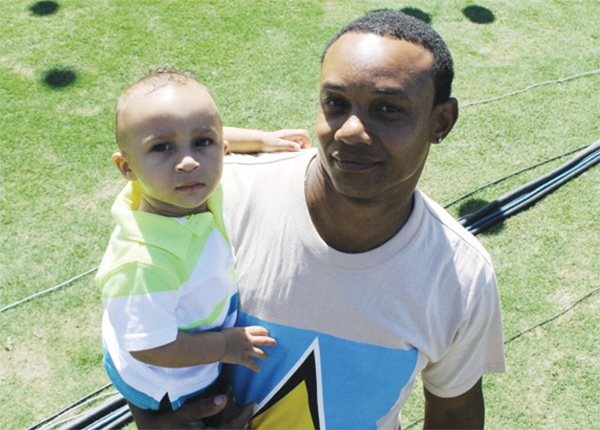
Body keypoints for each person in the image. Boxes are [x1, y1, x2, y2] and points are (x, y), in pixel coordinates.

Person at [130, 10, 506, 429]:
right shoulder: (217, 202)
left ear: (441, 121)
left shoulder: (461, 275)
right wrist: (149, 419)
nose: (349, 131)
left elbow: (454, 412)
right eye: (335, 104)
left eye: (387, 109)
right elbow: (133, 317)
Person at [96, 70, 304, 428]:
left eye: (202, 142)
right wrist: (224, 346)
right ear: (127, 167)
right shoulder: (144, 263)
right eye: (162, 148)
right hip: (167, 380)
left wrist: (262, 140)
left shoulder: (185, 191)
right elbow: (150, 346)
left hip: (172, 334)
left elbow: (206, 133)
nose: (189, 161)